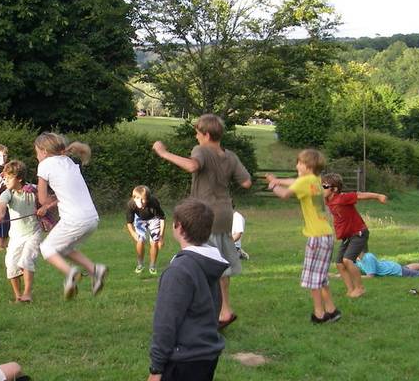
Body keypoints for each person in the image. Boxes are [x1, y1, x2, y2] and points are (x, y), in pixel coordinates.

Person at [147, 198, 298, 381]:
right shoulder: (210, 263)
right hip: (207, 353)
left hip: (184, 358)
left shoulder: (179, 271)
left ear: (179, 228)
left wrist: (156, 370)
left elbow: (165, 325)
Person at [152, 114, 252, 328]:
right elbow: (246, 182)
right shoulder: (230, 155)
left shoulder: (201, 150)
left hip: (204, 216)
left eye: (198, 133)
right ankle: (225, 311)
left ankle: (204, 315)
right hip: (225, 215)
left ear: (206, 134)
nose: (196, 137)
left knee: (202, 266)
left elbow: (192, 167)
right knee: (221, 265)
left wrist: (163, 153)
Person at [266, 149, 341, 324]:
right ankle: (332, 310)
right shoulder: (315, 180)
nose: (297, 165)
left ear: (308, 166)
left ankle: (320, 314)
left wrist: (274, 186)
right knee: (321, 277)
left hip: (316, 237)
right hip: (326, 235)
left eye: (300, 163)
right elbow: (295, 181)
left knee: (313, 279)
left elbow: (285, 194)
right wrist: (278, 179)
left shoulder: (306, 180)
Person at [34, 132, 107, 299]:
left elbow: (42, 199)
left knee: (47, 248)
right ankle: (95, 270)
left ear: (44, 151)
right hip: (91, 219)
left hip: (74, 220)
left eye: (36, 152)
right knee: (64, 249)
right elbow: (66, 192)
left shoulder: (44, 165)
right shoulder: (69, 161)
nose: (36, 155)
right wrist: (53, 201)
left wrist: (47, 203)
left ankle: (71, 273)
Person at [322, 173, 388, 298]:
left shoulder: (342, 198)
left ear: (334, 189)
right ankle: (351, 290)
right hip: (347, 236)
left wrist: (378, 196)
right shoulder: (328, 200)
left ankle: (360, 288)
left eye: (324, 186)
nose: (322, 188)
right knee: (339, 263)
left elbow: (360, 195)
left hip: (359, 233)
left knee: (347, 260)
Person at [0, 160, 43, 302]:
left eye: (9, 178)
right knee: (11, 264)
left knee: (26, 259)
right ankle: (18, 297)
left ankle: (27, 294)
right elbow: (2, 206)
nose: (6, 180)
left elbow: (50, 199)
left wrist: (44, 207)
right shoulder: (7, 193)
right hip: (16, 236)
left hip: (33, 233)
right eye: (5, 178)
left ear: (19, 178)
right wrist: (0, 216)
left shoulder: (33, 190)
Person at [125, 185, 166, 275]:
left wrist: (161, 237)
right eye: (137, 199)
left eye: (142, 199)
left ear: (147, 199)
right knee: (140, 240)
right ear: (133, 198)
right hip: (139, 219)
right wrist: (133, 234)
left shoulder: (153, 202)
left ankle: (152, 266)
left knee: (154, 242)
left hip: (153, 219)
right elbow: (129, 223)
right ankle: (140, 264)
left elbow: (162, 218)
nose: (139, 202)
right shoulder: (131, 204)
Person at [355, 253, 419, 278]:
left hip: (394, 270)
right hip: (391, 266)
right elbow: (353, 269)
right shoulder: (358, 259)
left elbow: (371, 276)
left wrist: (355, 277)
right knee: (406, 268)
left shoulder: (368, 259)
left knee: (418, 274)